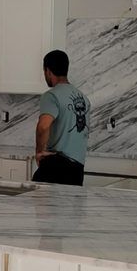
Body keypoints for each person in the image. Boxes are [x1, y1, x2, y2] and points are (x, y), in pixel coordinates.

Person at [32, 49, 90, 186]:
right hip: (77, 171)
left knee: (38, 204)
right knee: (68, 207)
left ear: (48, 71)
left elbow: (43, 126)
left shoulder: (51, 95)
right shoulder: (84, 98)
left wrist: (39, 152)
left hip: (55, 168)